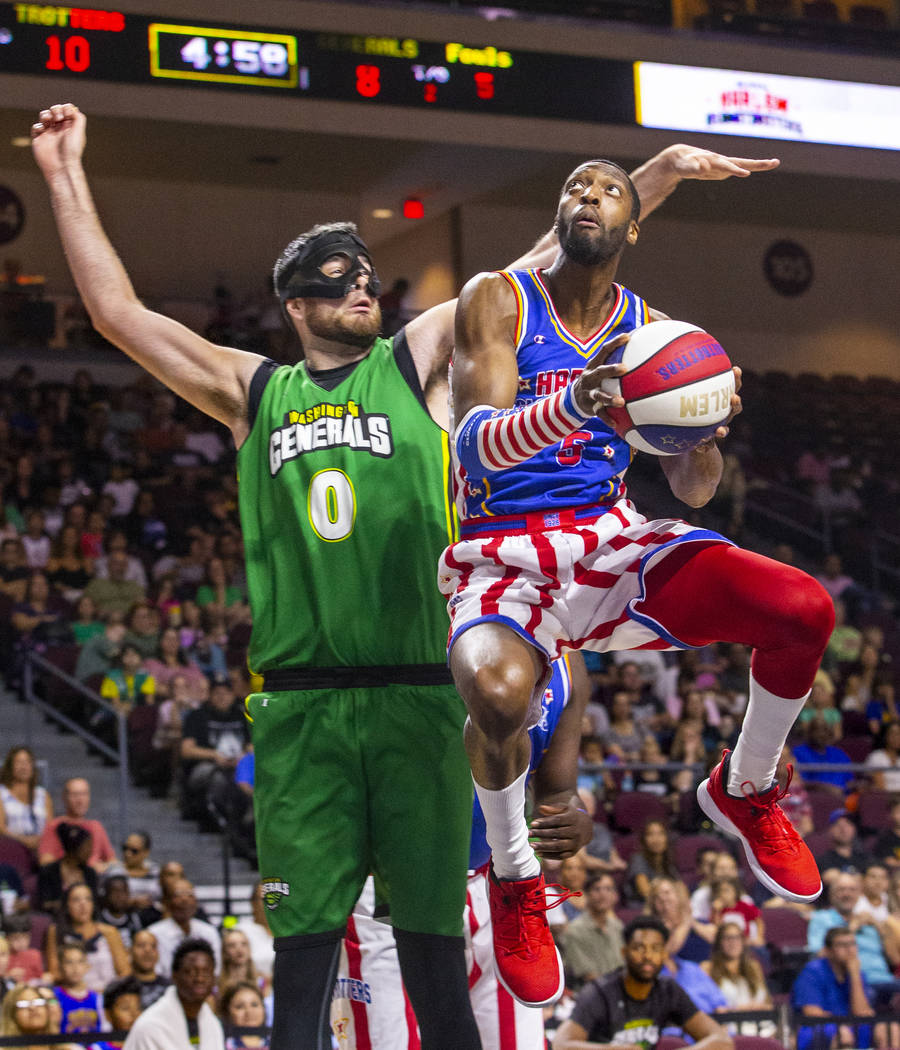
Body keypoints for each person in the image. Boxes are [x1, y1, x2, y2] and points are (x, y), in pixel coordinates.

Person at [32, 99, 780, 1047]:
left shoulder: (417, 359)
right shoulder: (251, 391)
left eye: (364, 276)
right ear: (295, 305)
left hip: (422, 691)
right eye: (332, 282)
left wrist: (656, 179)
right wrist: (63, 172)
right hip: (302, 700)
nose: (359, 289)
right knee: (304, 953)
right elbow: (115, 313)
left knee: (428, 945)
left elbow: (547, 265)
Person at [441, 156, 832, 1004]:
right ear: (560, 213)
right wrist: (578, 403)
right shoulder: (497, 299)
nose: (590, 196)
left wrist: (702, 438)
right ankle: (515, 881)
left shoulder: (656, 336)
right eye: (577, 186)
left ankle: (747, 786)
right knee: (502, 700)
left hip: (610, 544)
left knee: (804, 608)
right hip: (504, 551)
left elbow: (693, 490)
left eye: (610, 189)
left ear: (633, 224)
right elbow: (474, 447)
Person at [554, 915, 733, 1050]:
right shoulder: (599, 992)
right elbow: (561, 1044)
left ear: (664, 954)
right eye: (639, 948)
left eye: (655, 949)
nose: (647, 956)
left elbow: (722, 1041)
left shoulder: (667, 990)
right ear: (624, 953)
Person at [123, 937, 224, 1050]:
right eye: (191, 972)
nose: (199, 979)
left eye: (206, 972)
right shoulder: (149, 1027)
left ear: (214, 978)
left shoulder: (213, 1024)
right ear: (174, 976)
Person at [793, 926, 876, 1050]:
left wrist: (854, 975)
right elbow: (812, 1013)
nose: (850, 950)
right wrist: (842, 1024)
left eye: (852, 944)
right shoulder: (813, 971)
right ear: (828, 951)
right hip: (817, 1029)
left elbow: (862, 1013)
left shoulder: (857, 974)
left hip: (849, 1025)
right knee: (841, 1033)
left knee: (889, 1029)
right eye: (842, 945)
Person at [46, 881, 130, 991]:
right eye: (76, 900)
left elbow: (124, 971)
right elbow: (55, 972)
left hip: (108, 995)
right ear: (67, 905)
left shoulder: (109, 932)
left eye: (88, 899)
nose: (83, 904)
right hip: (73, 995)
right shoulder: (56, 931)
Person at [701, 921, 774, 1036]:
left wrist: (759, 1007)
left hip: (762, 1026)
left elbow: (768, 1003)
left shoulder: (754, 967)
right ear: (719, 942)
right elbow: (706, 1008)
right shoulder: (708, 968)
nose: (733, 943)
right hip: (728, 1029)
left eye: (737, 937)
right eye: (728, 938)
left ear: (743, 941)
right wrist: (740, 1009)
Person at [146, 877, 221, 978]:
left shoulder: (209, 931)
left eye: (190, 895)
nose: (185, 899)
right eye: (178, 895)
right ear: (167, 902)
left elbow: (217, 969)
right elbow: (155, 972)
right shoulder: (153, 934)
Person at [561, 872, 624, 992]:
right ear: (587, 895)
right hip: (590, 994)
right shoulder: (575, 930)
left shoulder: (617, 926)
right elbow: (586, 974)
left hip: (618, 992)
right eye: (597, 889)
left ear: (614, 895)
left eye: (608, 889)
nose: (603, 894)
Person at [38, 777, 117, 872]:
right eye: (75, 795)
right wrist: (87, 868)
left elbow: (112, 860)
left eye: (84, 794)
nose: (80, 800)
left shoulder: (96, 826)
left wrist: (106, 867)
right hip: (68, 881)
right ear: (64, 798)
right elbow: (45, 862)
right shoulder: (55, 826)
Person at [0, 745, 52, 854]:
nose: (24, 766)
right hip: (10, 849)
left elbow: (50, 828)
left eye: (27, 762)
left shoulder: (43, 795)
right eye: (19, 762)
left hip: (40, 850)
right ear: (10, 766)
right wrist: (24, 841)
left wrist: (39, 841)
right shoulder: (2, 793)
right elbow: (1, 829)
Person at [0, 982, 77, 1050]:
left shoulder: (70, 1048)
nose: (32, 1008)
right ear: (11, 1013)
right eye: (23, 1004)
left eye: (38, 1002)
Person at [54, 941, 101, 1036]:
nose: (75, 968)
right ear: (60, 967)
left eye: (80, 962)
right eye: (69, 962)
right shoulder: (54, 997)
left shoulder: (97, 998)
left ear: (87, 966)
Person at [88, 976, 143, 1050]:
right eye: (125, 1008)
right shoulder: (97, 1048)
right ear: (107, 1014)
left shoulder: (148, 1044)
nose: (134, 1014)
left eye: (138, 1008)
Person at [220, 981, 270, 1050]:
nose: (249, 1011)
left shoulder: (277, 1040)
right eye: (240, 1007)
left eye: (254, 1005)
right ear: (227, 1012)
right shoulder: (221, 1043)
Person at [129, 929, 169, 1010]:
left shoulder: (170, 987)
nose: (148, 950)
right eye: (141, 945)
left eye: (153, 946)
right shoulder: (120, 987)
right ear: (130, 951)